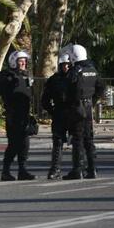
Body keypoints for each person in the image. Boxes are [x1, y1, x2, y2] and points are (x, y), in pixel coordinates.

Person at [63, 43, 106, 179]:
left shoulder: (76, 71)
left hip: (77, 107)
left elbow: (69, 90)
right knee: (88, 138)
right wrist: (92, 102)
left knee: (77, 139)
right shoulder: (92, 70)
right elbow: (101, 87)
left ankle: (77, 170)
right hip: (88, 108)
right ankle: (92, 169)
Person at [0, 49, 36, 181]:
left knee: (25, 144)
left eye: (25, 60)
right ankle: (5, 171)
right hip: (13, 115)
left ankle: (22, 170)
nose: (23, 63)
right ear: (14, 61)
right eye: (20, 60)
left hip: (25, 114)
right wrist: (10, 80)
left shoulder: (26, 76)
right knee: (13, 144)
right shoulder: (6, 75)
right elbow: (0, 89)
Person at [40, 50, 72, 180]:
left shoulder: (76, 77)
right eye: (63, 64)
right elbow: (45, 99)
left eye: (68, 64)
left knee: (79, 141)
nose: (66, 67)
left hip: (73, 113)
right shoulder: (54, 79)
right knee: (57, 142)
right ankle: (55, 169)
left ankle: (80, 168)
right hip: (59, 113)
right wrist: (52, 111)